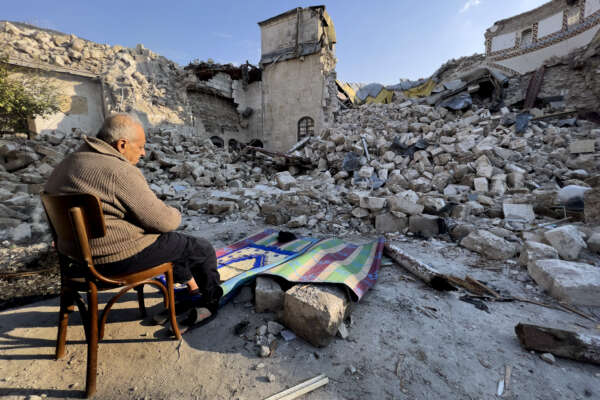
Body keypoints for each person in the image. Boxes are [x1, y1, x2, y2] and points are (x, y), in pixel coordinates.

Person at [44, 113, 222, 325]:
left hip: (76, 262)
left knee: (172, 244)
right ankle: (210, 303)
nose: (144, 153)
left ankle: (191, 287)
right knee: (199, 247)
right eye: (140, 147)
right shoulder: (118, 170)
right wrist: (174, 211)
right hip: (114, 261)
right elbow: (164, 222)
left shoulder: (66, 164)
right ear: (122, 144)